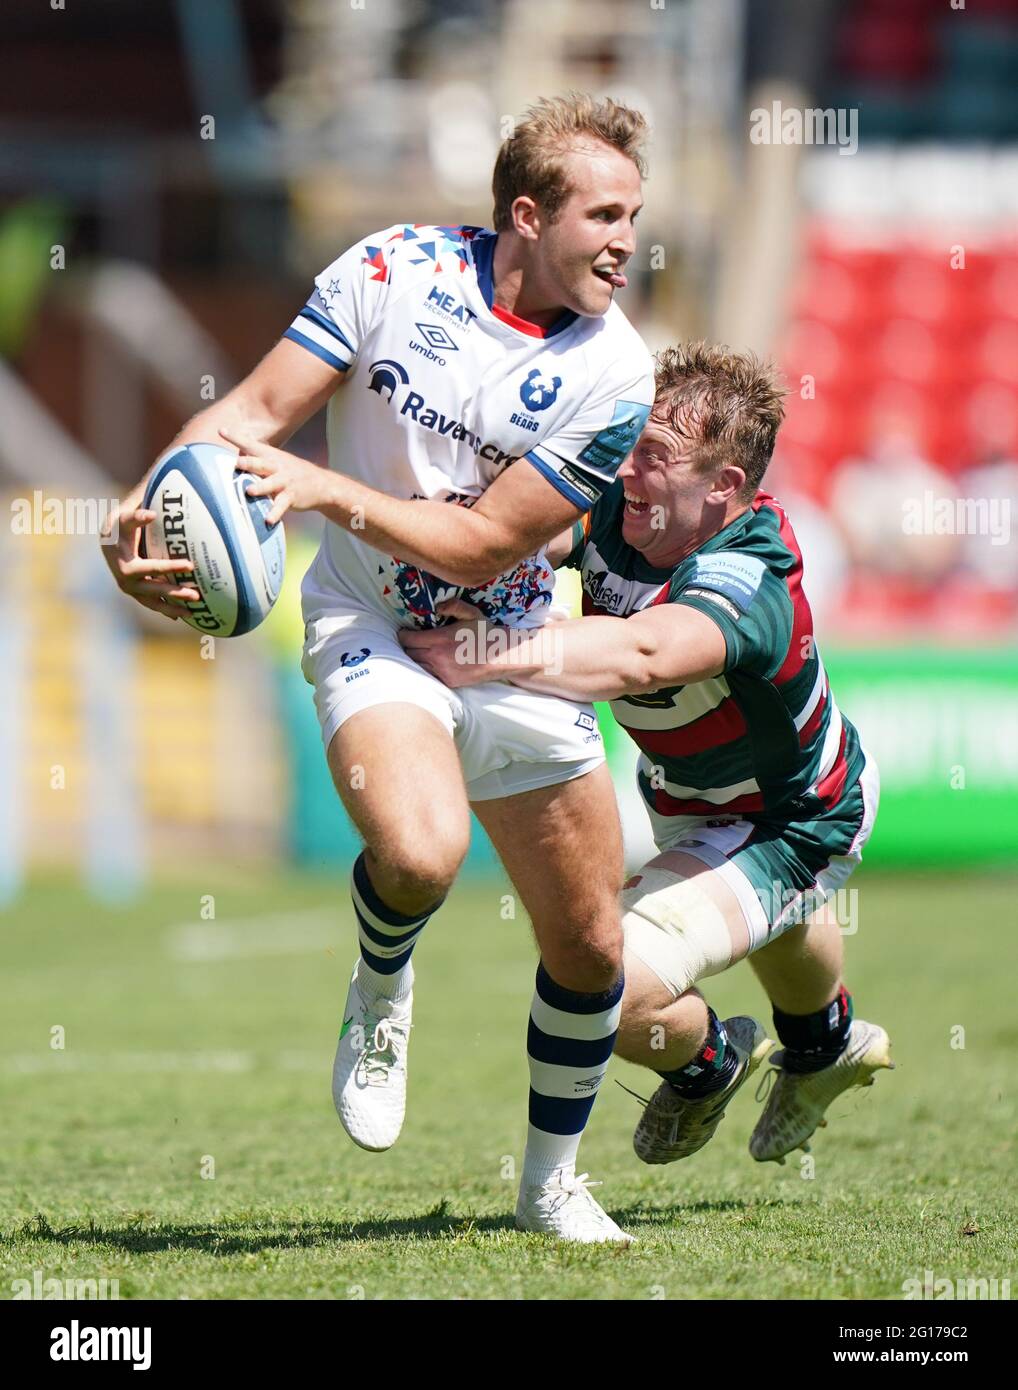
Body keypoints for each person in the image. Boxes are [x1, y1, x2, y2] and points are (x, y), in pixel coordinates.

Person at [102, 94, 655, 1243]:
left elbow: (490, 542)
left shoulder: (616, 374)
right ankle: (382, 987)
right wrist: (146, 511)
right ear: (525, 213)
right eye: (602, 213)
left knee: (592, 940)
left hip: (508, 640)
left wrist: (323, 490)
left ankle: (548, 1183)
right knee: (417, 851)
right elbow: (248, 416)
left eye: (633, 217)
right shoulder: (390, 269)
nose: (624, 239)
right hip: (368, 615)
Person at [402, 342, 893, 1170]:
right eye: (630, 440)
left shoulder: (750, 573)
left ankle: (709, 1067)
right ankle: (825, 1046)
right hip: (693, 797)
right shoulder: (619, 503)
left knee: (610, 986)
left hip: (792, 817)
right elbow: (512, 531)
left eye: (653, 455)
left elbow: (643, 658)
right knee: (775, 920)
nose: (624, 467)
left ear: (723, 487)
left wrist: (480, 651)